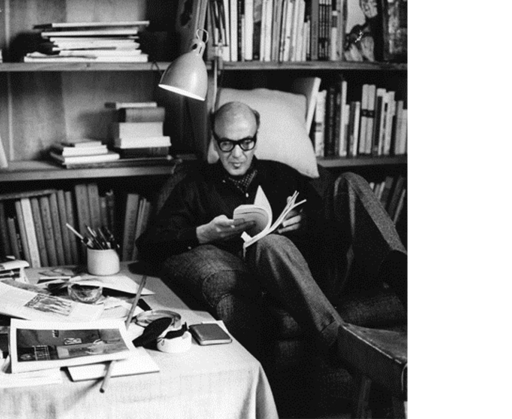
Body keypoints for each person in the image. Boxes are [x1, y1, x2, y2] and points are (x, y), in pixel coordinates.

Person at [136, 101, 407, 361]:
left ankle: (403, 277)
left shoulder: (281, 174)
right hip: (281, 287)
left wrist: (307, 221)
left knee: (349, 182)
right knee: (268, 244)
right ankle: (338, 342)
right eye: (227, 144)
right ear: (215, 141)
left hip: (325, 270)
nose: (237, 154)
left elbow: (326, 223)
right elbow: (148, 244)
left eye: (246, 142)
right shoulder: (194, 187)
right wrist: (203, 234)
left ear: (256, 137)